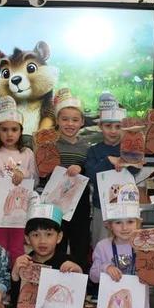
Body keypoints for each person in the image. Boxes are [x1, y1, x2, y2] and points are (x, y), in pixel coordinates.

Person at [9, 204, 95, 308]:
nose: (42, 241)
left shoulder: (67, 262)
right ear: (27, 238)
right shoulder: (24, 264)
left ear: (59, 237)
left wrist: (77, 273)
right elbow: (16, 305)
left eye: (49, 234)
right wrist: (15, 276)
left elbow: (77, 302)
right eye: (36, 235)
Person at [89, 190, 152, 308]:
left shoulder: (145, 246)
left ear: (139, 223)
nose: (124, 228)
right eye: (118, 222)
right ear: (109, 225)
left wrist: (147, 270)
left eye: (130, 222)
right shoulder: (103, 246)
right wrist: (105, 267)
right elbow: (93, 276)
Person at [0, 96, 37, 262]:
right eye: (4, 129)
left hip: (19, 211)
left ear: (21, 131)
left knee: (17, 248)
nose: (9, 134)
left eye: (14, 129)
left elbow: (35, 179)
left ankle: (16, 283)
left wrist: (23, 175)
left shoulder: (27, 153)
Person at [48, 88, 92, 270]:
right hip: (56, 200)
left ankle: (79, 280)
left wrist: (81, 168)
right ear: (57, 120)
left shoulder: (87, 146)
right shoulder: (50, 145)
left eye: (75, 120)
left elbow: (90, 171)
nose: (70, 124)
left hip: (79, 202)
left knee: (80, 241)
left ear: (82, 122)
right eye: (65, 119)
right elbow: (42, 170)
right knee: (56, 240)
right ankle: (55, 277)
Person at [86, 92, 137, 247]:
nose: (113, 131)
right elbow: (92, 177)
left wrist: (128, 160)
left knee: (125, 246)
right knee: (101, 244)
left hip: (126, 209)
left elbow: (135, 170)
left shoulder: (129, 150)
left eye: (118, 126)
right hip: (101, 208)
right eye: (108, 126)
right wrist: (108, 161)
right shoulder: (94, 151)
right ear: (100, 126)